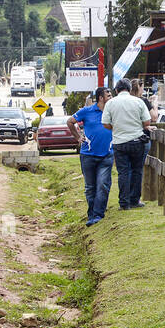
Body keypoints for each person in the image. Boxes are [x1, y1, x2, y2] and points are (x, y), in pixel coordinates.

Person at [101, 78, 153, 211]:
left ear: (116, 90)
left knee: (123, 173)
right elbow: (147, 122)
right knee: (137, 171)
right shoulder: (138, 101)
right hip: (137, 140)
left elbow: (105, 123)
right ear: (130, 89)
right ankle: (135, 200)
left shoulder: (111, 103)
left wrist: (117, 127)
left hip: (119, 142)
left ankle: (124, 203)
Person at [69, 86, 112, 226]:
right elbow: (70, 121)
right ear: (101, 98)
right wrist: (77, 137)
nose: (111, 97)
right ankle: (91, 214)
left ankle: (98, 215)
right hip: (87, 155)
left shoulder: (112, 111)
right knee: (90, 187)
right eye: (108, 95)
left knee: (103, 185)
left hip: (106, 155)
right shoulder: (86, 111)